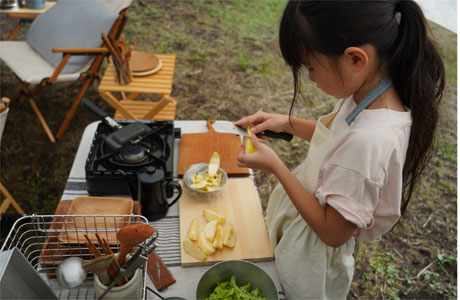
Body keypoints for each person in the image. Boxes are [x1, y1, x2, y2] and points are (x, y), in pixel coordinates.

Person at [235, 0, 445, 299]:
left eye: (310, 66)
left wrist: (276, 166)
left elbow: (333, 232)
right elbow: (338, 137)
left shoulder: (369, 142)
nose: (309, 77)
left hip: (311, 255)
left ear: (356, 59)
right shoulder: (376, 90)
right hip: (307, 231)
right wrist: (287, 123)